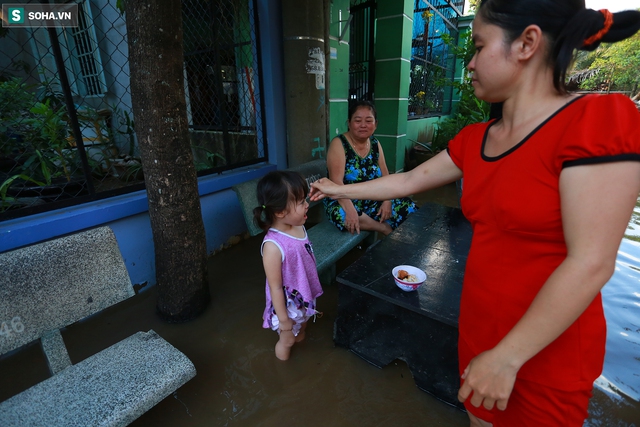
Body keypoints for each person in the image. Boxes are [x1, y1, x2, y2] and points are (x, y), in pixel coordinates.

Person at [310, 1, 640, 425]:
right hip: (480, 329)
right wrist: (338, 190)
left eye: (479, 46)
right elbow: (409, 181)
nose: (468, 64)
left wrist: (507, 357)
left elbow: (591, 262)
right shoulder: (476, 138)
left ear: (527, 43)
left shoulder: (598, 122)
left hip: (544, 349)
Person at [253, 170, 323, 361]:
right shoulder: (272, 247)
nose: (307, 205)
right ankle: (283, 373)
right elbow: (275, 286)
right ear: (280, 212)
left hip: (304, 295)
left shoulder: (299, 225)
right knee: (288, 340)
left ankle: (303, 356)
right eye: (301, 202)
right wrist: (284, 321)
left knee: (302, 331)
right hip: (287, 305)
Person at [324, 100, 418, 236]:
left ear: (376, 124)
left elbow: (386, 177)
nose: (363, 125)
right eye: (357, 120)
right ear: (349, 123)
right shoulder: (339, 144)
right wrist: (350, 210)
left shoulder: (375, 143)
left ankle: (409, 246)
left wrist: (387, 200)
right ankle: (382, 228)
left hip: (373, 198)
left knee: (410, 208)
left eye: (369, 121)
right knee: (344, 215)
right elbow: (336, 183)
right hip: (344, 200)